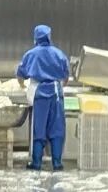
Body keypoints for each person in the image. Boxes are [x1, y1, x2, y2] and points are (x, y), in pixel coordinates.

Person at [17, 25, 70, 171]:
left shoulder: (31, 54)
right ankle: (57, 163)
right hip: (56, 94)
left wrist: (22, 86)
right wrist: (59, 86)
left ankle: (36, 163)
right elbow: (66, 77)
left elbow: (21, 75)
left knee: (38, 128)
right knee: (57, 128)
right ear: (49, 37)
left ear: (35, 38)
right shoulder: (59, 54)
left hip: (39, 94)